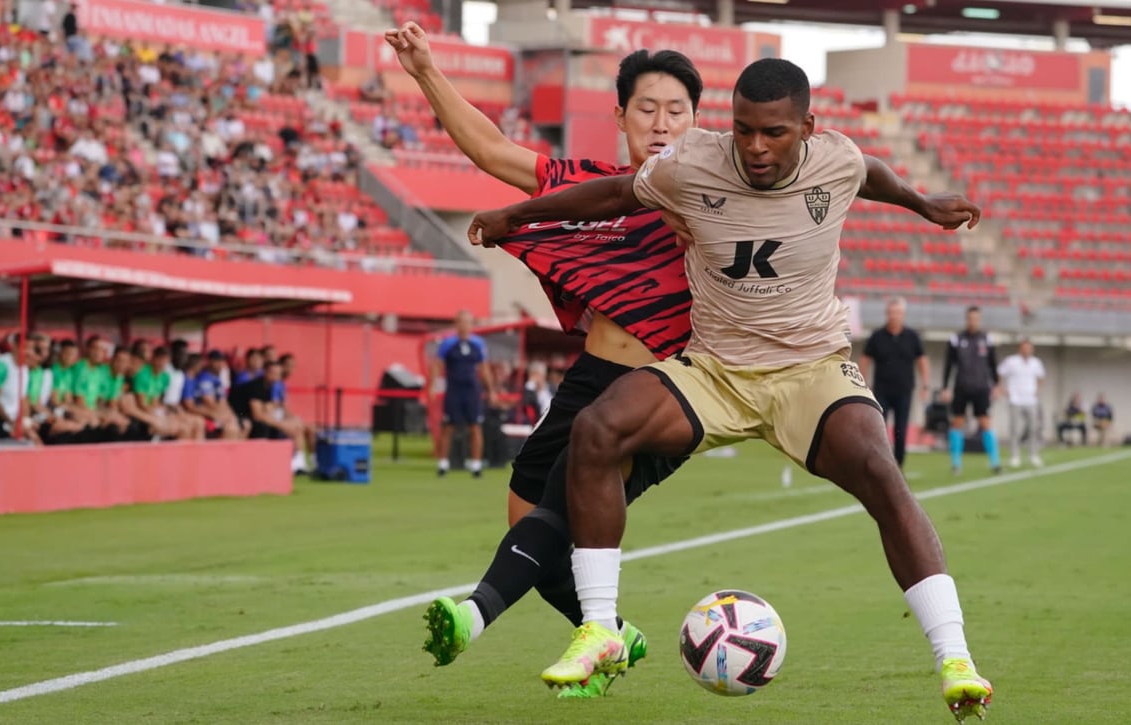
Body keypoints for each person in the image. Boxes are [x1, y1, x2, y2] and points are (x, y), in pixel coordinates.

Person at [468, 58, 992, 722]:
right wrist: (518, 215)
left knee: (880, 472)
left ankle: (955, 657)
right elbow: (612, 195)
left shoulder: (838, 161)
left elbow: (872, 176)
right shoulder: (692, 163)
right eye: (743, 130)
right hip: (715, 368)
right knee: (596, 429)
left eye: (772, 133)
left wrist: (922, 203)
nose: (754, 148)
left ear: (807, 127)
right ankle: (600, 630)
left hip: (810, 369)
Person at [385, 21, 699, 698]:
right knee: (526, 515)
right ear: (620, 116)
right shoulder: (592, 189)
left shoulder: (715, 200)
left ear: (698, 123)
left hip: (664, 391)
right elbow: (494, 151)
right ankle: (613, 628)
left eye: (678, 110)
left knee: (559, 502)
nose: (662, 122)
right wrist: (425, 71)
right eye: (647, 108)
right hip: (590, 378)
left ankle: (475, 613)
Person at [859, 296, 928, 467]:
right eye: (891, 313)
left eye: (897, 313)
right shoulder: (877, 336)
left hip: (904, 390)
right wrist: (861, 383)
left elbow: (922, 361)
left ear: (903, 314)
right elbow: (865, 360)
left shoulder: (912, 336)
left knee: (901, 428)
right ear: (886, 314)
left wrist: (925, 384)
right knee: (879, 428)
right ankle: (880, 462)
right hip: (881, 390)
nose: (894, 316)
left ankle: (898, 464)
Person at [434, 310, 494, 478]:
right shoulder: (448, 343)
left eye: (467, 322)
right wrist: (432, 386)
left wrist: (491, 390)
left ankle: (475, 465)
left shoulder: (478, 344)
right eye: (461, 322)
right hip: (453, 390)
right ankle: (443, 464)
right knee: (448, 426)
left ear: (472, 325)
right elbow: (437, 365)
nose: (464, 325)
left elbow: (484, 368)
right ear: (456, 324)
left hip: (471, 391)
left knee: (475, 426)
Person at [942, 307, 1001, 475]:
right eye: (970, 318)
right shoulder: (956, 339)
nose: (973, 321)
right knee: (957, 423)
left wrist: (996, 385)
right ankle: (956, 463)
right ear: (966, 319)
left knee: (985, 423)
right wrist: (945, 387)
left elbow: (993, 364)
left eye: (976, 318)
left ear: (979, 319)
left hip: (981, 387)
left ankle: (995, 462)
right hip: (961, 386)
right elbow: (949, 365)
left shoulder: (987, 339)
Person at [996, 339, 1045, 468]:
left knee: (1033, 428)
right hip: (1015, 399)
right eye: (1024, 347)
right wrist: (1002, 389)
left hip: (1031, 400)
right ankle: (1015, 456)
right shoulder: (1011, 361)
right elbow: (999, 373)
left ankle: (1033, 455)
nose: (1027, 350)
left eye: (1029, 348)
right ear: (1020, 348)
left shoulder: (1036, 363)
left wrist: (1037, 391)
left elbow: (1041, 378)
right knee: (1014, 429)